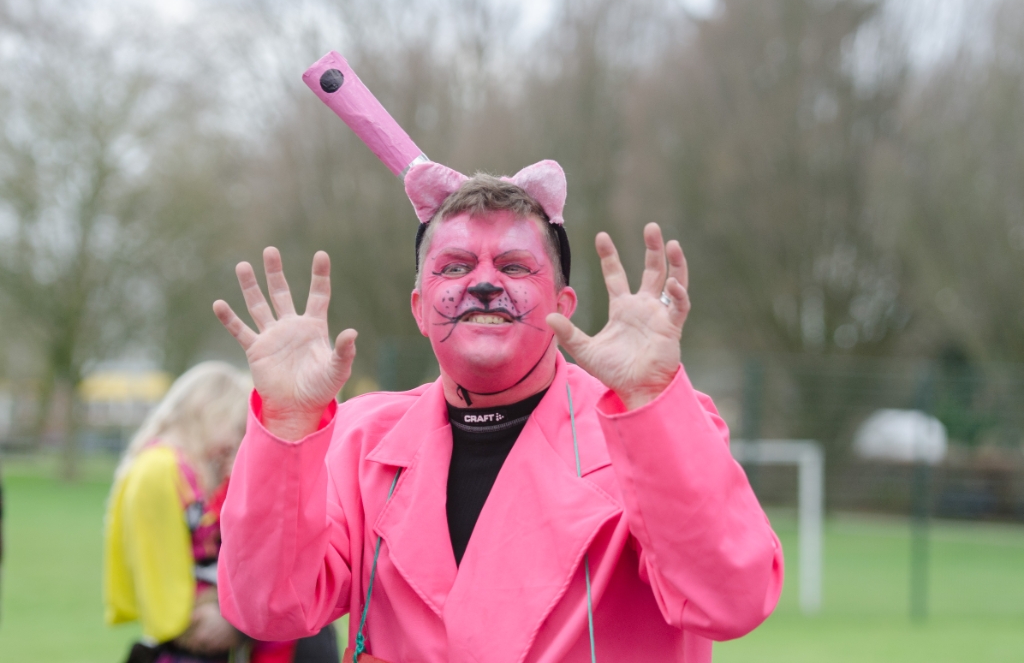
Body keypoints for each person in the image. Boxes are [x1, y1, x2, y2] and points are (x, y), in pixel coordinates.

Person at [214, 160, 784, 662]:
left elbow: (731, 600)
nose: (484, 284)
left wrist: (650, 398)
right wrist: (287, 426)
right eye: (455, 267)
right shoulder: (362, 441)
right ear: (419, 308)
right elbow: (268, 609)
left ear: (563, 305)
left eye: (514, 267)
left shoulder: (650, 426)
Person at [103, 361, 339, 663]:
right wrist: (219, 620)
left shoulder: (186, 469)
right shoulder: (159, 468)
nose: (238, 440)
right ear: (210, 411)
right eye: (236, 426)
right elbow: (163, 584)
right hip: (190, 643)